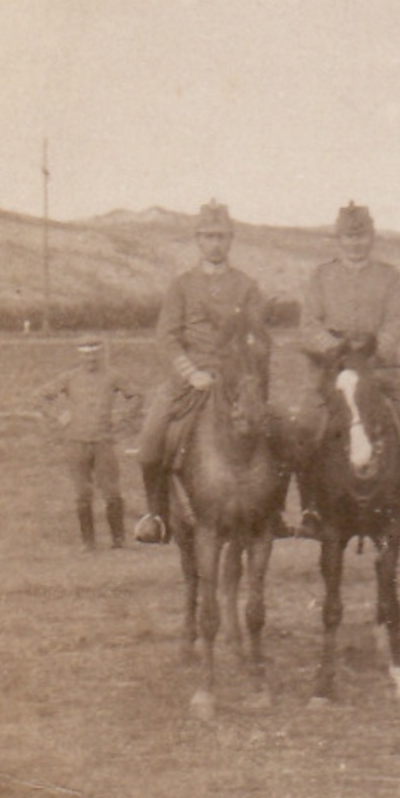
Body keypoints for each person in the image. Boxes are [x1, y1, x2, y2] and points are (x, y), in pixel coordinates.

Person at [291, 202, 400, 537]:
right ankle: (310, 509)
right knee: (305, 427)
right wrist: (331, 347)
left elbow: (396, 323)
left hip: (381, 371)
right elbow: (307, 326)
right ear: (338, 238)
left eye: (361, 235)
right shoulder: (321, 277)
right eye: (349, 236)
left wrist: (376, 347)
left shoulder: (389, 277)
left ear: (372, 237)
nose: (355, 243)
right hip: (333, 373)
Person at [133, 201, 274, 544]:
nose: (215, 244)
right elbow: (167, 337)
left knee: (283, 433)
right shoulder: (181, 286)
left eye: (222, 237)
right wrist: (192, 373)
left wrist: (247, 366)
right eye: (208, 237)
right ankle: (156, 516)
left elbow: (258, 335)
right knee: (150, 442)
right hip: (189, 381)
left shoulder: (247, 286)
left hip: (237, 382)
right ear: (197, 240)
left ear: (231, 240)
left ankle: (275, 512)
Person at [37, 336, 140, 551]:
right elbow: (41, 396)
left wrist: (122, 417)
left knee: (111, 491)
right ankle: (88, 543)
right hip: (76, 441)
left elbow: (137, 396)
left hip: (103, 441)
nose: (91, 358)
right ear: (80, 356)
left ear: (101, 354)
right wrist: (58, 415)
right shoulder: (70, 377)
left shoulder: (112, 377)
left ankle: (119, 541)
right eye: (86, 354)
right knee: (82, 494)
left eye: (95, 353)